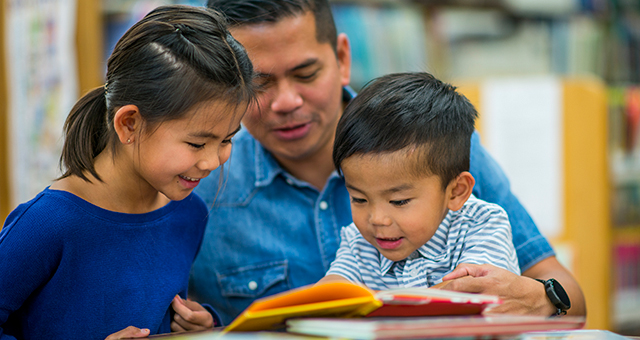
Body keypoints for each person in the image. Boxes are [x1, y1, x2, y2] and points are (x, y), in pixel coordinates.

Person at [190, 0, 585, 325]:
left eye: (306, 74)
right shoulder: (198, 182)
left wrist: (544, 297)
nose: (286, 101)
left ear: (343, 58)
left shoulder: (441, 146)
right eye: (260, 84)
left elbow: (573, 300)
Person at [0, 5, 254, 340]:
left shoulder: (190, 214)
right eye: (196, 144)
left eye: (227, 139)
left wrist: (202, 323)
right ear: (129, 123)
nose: (212, 161)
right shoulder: (46, 224)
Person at [317, 72, 520, 288]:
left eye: (399, 201)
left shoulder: (482, 225)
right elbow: (333, 288)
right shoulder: (357, 241)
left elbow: (470, 292)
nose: (377, 219)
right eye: (359, 199)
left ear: (455, 192)